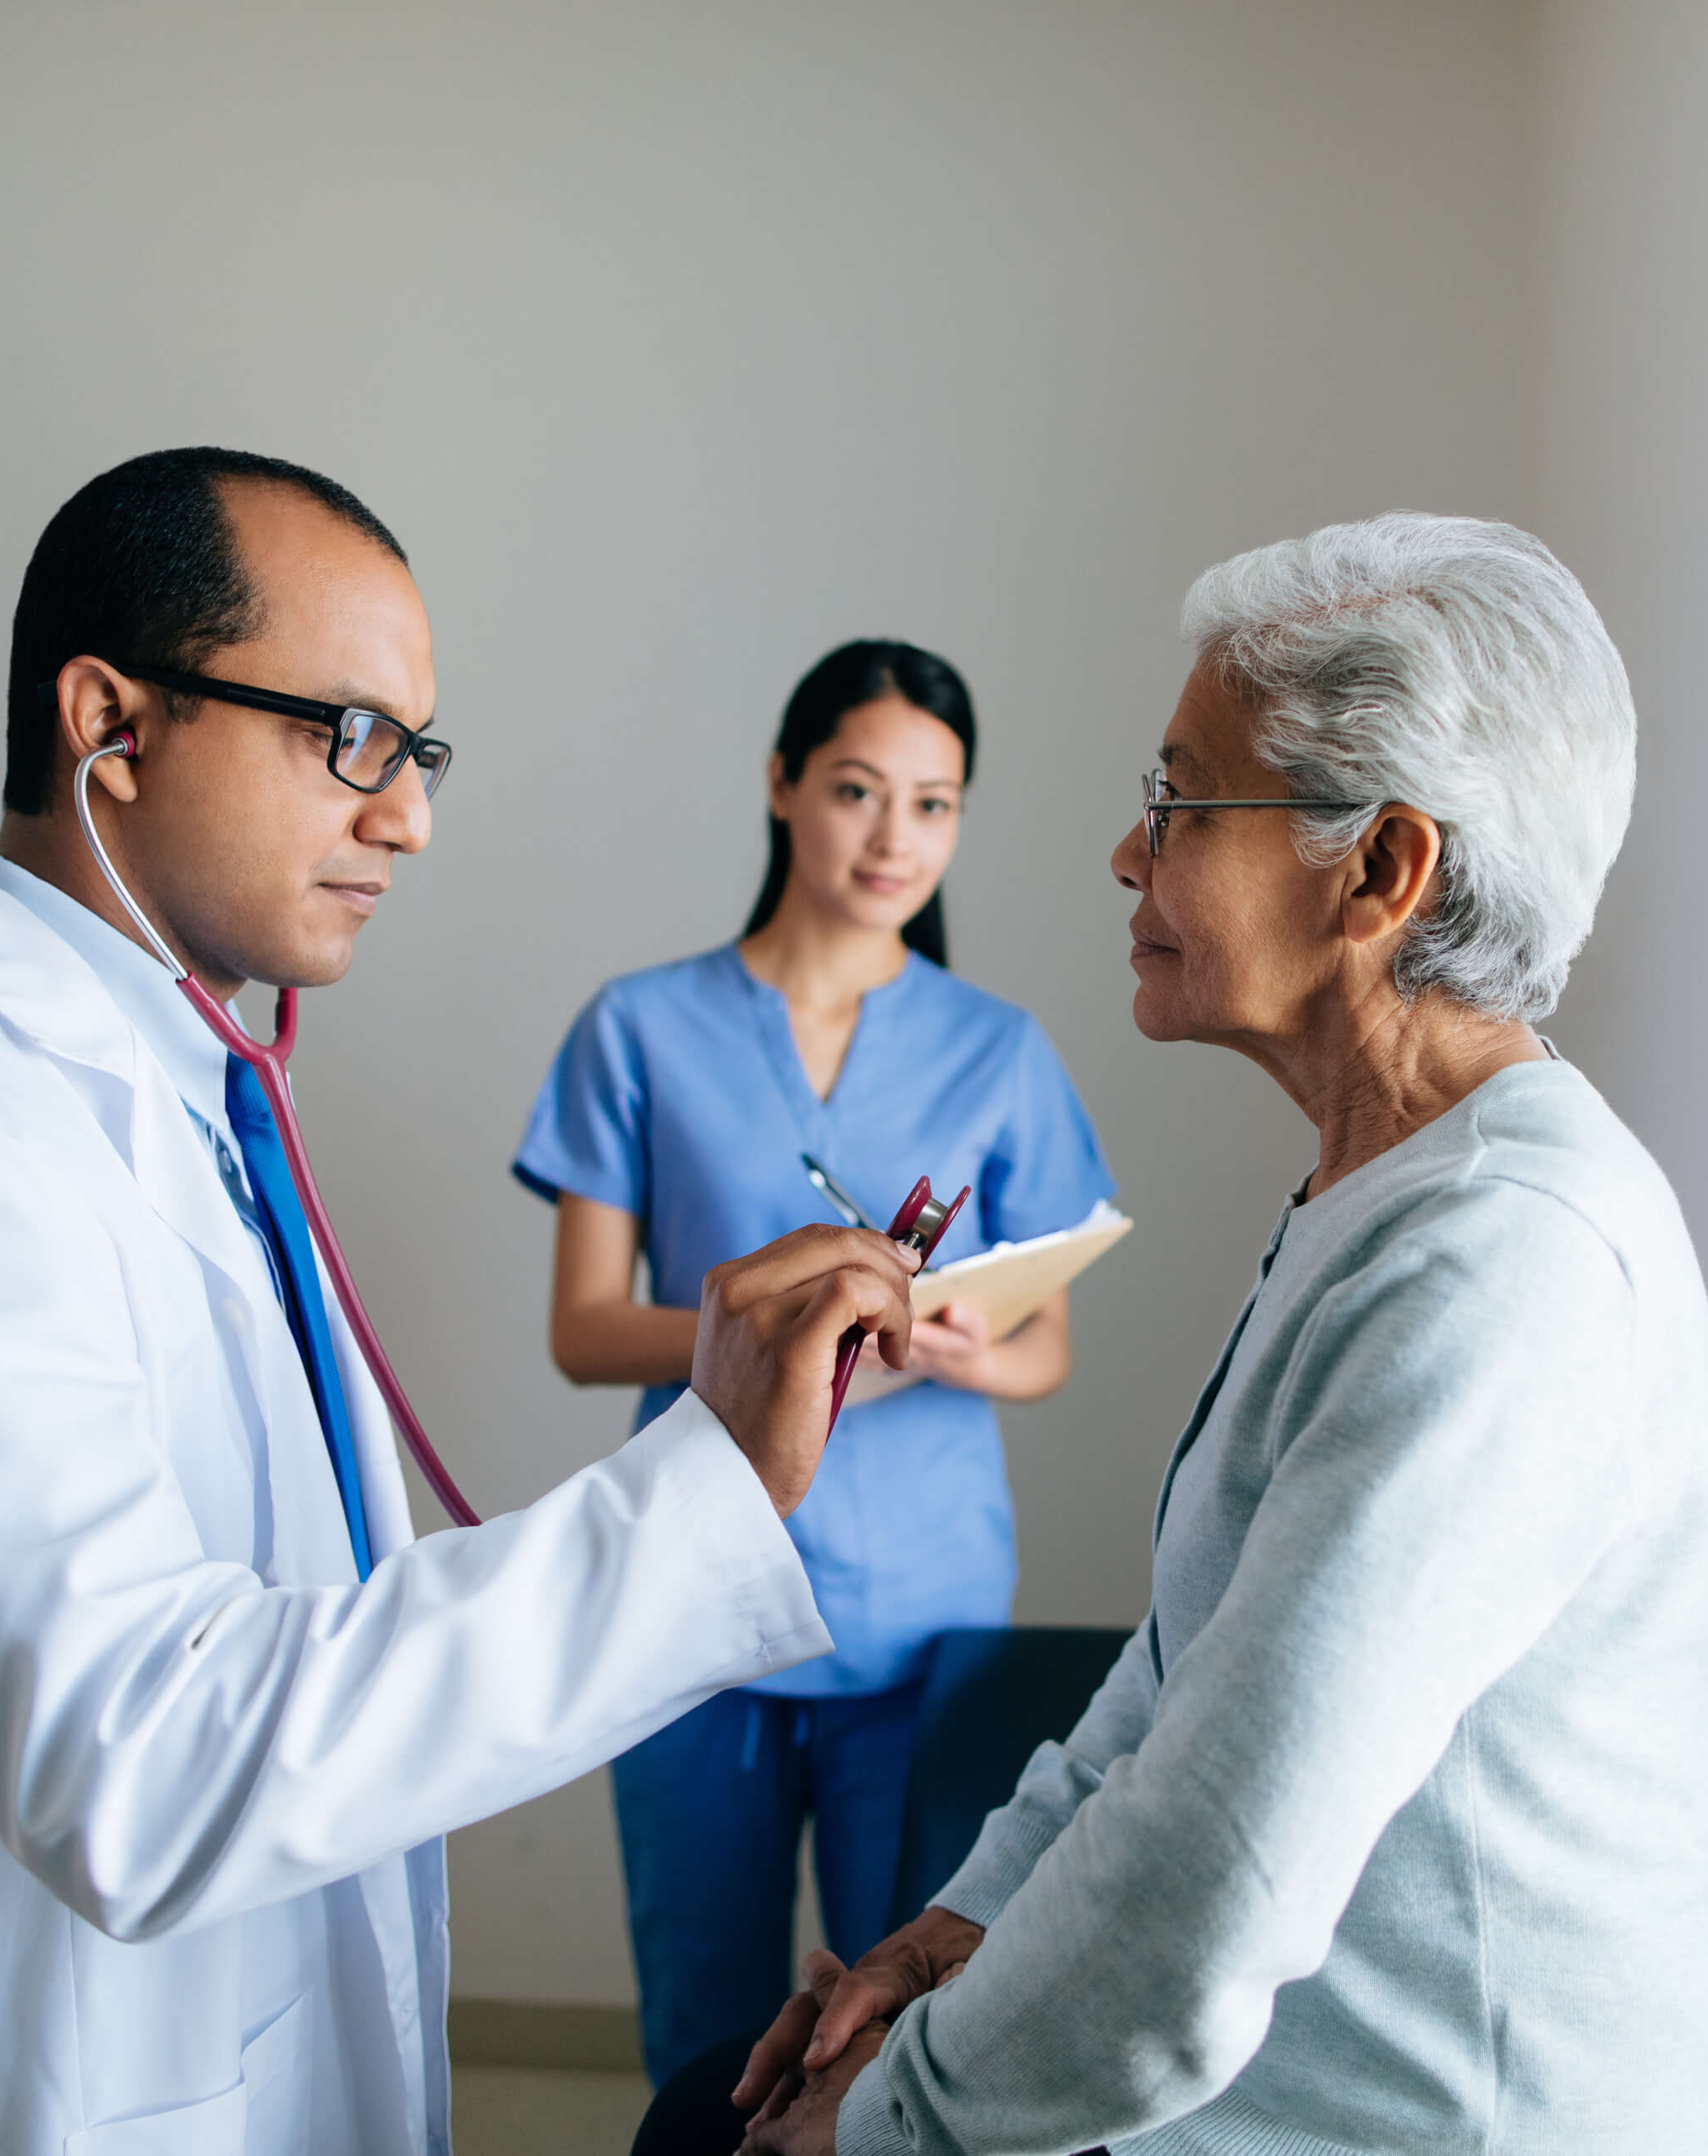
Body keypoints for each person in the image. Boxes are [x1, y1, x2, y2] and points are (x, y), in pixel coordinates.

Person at [0, 448, 922, 2156]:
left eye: (419, 753)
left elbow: (295, 1656)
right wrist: (703, 1485)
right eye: (350, 737)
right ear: (110, 723)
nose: (405, 813)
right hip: (14, 2087)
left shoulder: (194, 1100)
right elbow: (144, 1759)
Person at [719, 515, 1708, 2154]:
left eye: (1180, 800)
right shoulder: (1387, 1188)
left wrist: (882, 2126)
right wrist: (960, 1929)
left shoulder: (1508, 1263)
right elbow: (1178, 1684)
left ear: (1380, 869)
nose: (1128, 855)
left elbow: (1216, 1872)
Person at [514, 639, 1116, 2085]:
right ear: (784, 785)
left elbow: (1045, 1353)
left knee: (897, 2041)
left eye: (934, 804)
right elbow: (586, 1326)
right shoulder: (640, 1028)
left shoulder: (1001, 1050)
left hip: (921, 1617)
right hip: (694, 1595)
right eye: (857, 790)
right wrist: (789, 1331)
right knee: (704, 2028)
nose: (894, 835)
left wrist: (966, 1347)